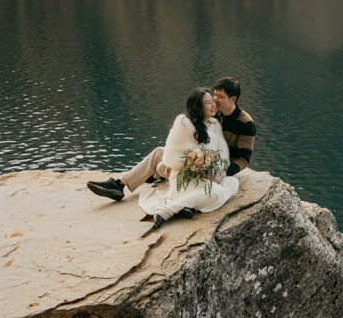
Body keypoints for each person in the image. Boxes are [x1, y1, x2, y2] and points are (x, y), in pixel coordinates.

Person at [87, 76, 256, 201]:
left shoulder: (246, 123)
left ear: (232, 99)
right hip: (199, 158)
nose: (215, 99)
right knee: (161, 153)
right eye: (215, 95)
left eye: (220, 96)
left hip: (217, 168)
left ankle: (163, 182)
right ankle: (120, 185)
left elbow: (243, 159)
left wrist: (223, 173)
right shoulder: (213, 112)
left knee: (162, 166)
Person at [136, 87, 238, 227]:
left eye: (212, 101)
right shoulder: (184, 122)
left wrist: (216, 170)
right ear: (198, 107)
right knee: (215, 192)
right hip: (185, 176)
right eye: (208, 102)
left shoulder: (215, 125)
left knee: (233, 182)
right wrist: (193, 165)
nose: (213, 104)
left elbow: (223, 154)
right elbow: (172, 154)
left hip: (207, 176)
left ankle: (185, 206)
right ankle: (169, 210)